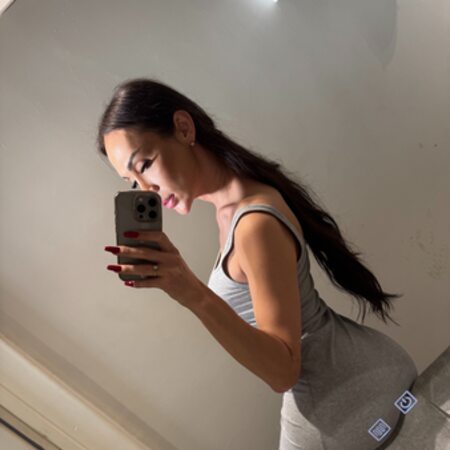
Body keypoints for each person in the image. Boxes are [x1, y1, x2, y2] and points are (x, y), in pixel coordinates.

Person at [98, 78, 418, 449]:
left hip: (353, 397)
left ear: (184, 128)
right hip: (353, 387)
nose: (146, 189)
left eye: (145, 164)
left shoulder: (253, 224)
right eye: (132, 181)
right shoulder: (234, 206)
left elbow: (283, 371)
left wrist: (190, 291)